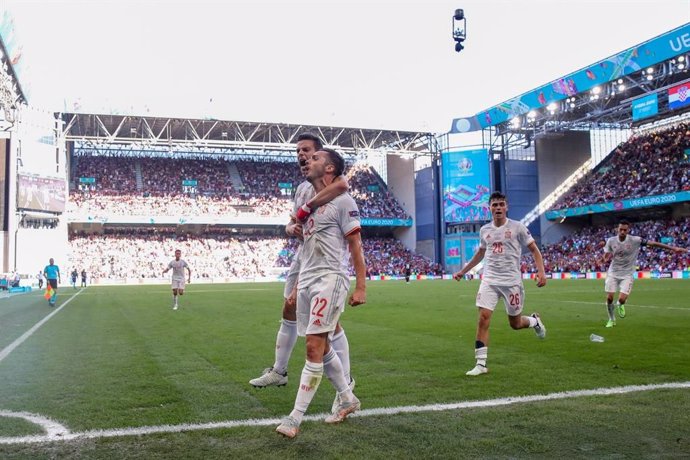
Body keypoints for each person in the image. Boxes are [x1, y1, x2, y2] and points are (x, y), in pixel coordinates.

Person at [250, 133, 354, 404]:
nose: (301, 154)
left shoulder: (336, 185)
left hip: (325, 262)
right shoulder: (301, 188)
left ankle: (347, 382)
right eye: (297, 150)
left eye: (307, 150)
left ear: (321, 155)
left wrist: (307, 210)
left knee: (328, 326)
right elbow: (292, 222)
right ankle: (279, 371)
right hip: (304, 254)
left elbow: (341, 185)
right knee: (289, 306)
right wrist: (291, 226)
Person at [276, 148, 366, 438]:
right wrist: (298, 283)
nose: (307, 160)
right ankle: (348, 397)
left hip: (331, 278)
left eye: (315, 158)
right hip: (309, 279)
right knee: (323, 346)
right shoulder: (312, 205)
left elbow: (355, 245)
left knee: (313, 346)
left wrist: (361, 286)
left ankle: (294, 418)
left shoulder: (343, 201)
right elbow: (307, 250)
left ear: (329, 169)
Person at [453, 191, 547, 376]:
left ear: (506, 207)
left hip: (511, 282)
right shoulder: (485, 231)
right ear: (489, 208)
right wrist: (463, 271)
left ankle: (535, 321)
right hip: (489, 280)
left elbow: (534, 250)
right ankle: (481, 364)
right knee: (483, 318)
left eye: (501, 204)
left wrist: (541, 272)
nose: (498, 208)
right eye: (494, 205)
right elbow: (480, 253)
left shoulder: (518, 227)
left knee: (515, 323)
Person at [600, 220, 687, 327]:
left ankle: (621, 304)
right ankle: (611, 319)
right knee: (609, 298)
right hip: (613, 273)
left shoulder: (635, 240)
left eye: (625, 230)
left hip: (627, 274)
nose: (622, 232)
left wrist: (673, 248)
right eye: (620, 229)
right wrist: (604, 259)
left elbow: (654, 243)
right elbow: (607, 254)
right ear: (617, 229)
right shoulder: (611, 241)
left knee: (622, 299)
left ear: (628, 230)